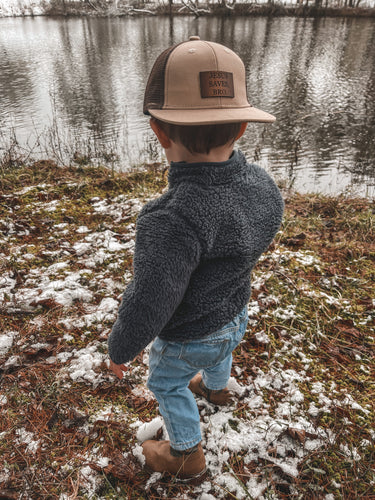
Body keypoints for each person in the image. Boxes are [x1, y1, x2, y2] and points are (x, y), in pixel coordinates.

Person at [107, 36, 284, 483]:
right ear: (241, 128)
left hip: (189, 337)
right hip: (236, 313)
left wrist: (121, 347)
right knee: (218, 346)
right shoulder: (262, 183)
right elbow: (261, 231)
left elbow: (151, 299)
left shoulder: (170, 218)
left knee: (166, 383)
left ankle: (187, 454)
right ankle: (217, 388)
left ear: (158, 131)